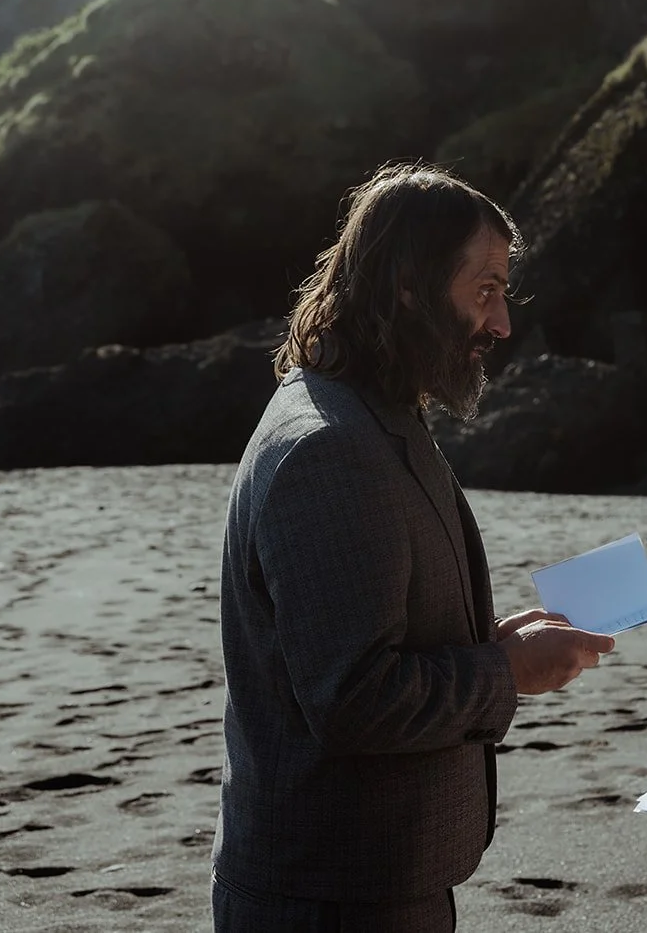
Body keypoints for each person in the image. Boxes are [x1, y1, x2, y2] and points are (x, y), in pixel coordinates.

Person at [211, 162, 616, 932]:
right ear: (407, 286)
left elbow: (365, 641)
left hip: (371, 883)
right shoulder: (330, 446)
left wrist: (491, 642)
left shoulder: (371, 412)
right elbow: (352, 696)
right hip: (332, 897)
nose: (500, 324)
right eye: (485, 289)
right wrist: (507, 672)